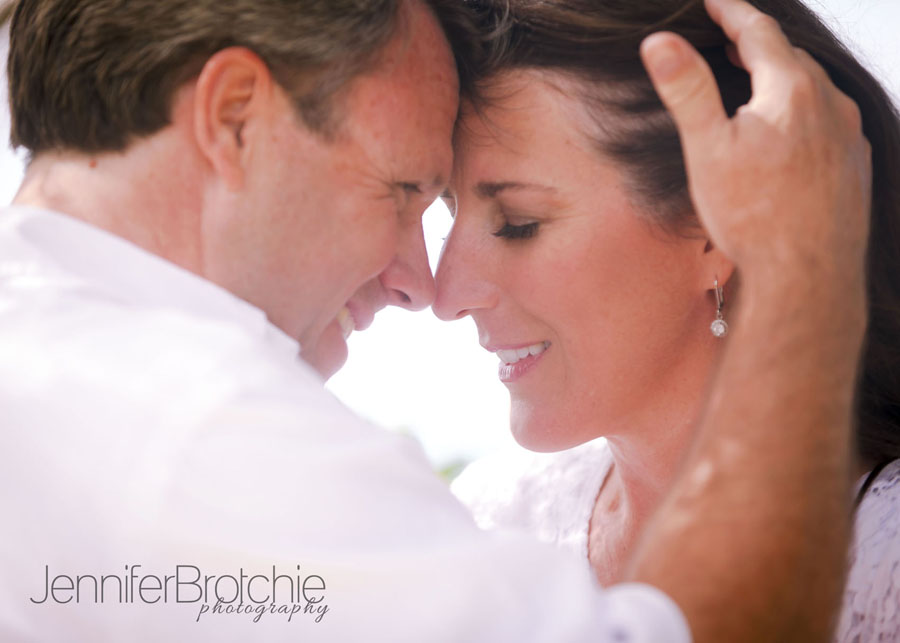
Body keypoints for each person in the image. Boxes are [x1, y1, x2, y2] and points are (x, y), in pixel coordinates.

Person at [0, 0, 870, 641]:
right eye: (404, 190)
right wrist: (804, 263)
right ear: (233, 118)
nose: (428, 285)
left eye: (513, 220)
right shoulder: (198, 435)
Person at [433, 0, 898, 640]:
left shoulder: (885, 567)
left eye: (518, 224)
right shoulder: (489, 522)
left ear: (719, 228)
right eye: (445, 210)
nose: (446, 292)